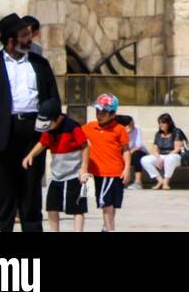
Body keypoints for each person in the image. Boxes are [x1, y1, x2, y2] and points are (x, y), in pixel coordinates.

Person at [0, 12, 61, 232]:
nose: (29, 39)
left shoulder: (40, 64)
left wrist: (52, 121)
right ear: (11, 40)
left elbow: (52, 98)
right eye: (24, 35)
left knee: (30, 193)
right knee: (3, 195)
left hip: (32, 133)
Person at [22, 110, 89, 232]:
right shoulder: (48, 128)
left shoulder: (72, 126)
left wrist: (84, 167)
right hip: (56, 175)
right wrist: (30, 155)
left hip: (74, 174)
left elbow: (84, 145)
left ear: (57, 119)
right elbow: (42, 143)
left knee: (77, 208)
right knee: (52, 207)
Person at [82, 94, 132, 230]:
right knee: (107, 203)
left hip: (113, 172)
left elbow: (126, 150)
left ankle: (109, 229)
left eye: (103, 112)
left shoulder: (119, 129)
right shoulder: (89, 127)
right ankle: (107, 227)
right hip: (97, 172)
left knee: (108, 204)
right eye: (98, 111)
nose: (99, 115)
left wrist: (127, 169)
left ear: (113, 114)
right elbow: (77, 139)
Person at [140, 113, 186, 189]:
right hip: (161, 155)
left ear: (169, 123)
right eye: (160, 123)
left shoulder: (177, 132)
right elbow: (155, 148)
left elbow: (177, 149)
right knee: (144, 160)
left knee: (169, 159)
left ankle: (166, 182)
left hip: (174, 156)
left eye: (163, 123)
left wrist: (164, 159)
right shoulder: (158, 134)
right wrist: (158, 158)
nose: (161, 125)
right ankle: (159, 180)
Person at [117, 115, 148, 189]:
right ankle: (123, 181)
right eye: (130, 124)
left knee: (136, 156)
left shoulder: (137, 128)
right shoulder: (120, 130)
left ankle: (138, 182)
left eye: (133, 123)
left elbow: (139, 145)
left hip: (138, 151)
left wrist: (129, 153)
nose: (133, 125)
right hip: (125, 151)